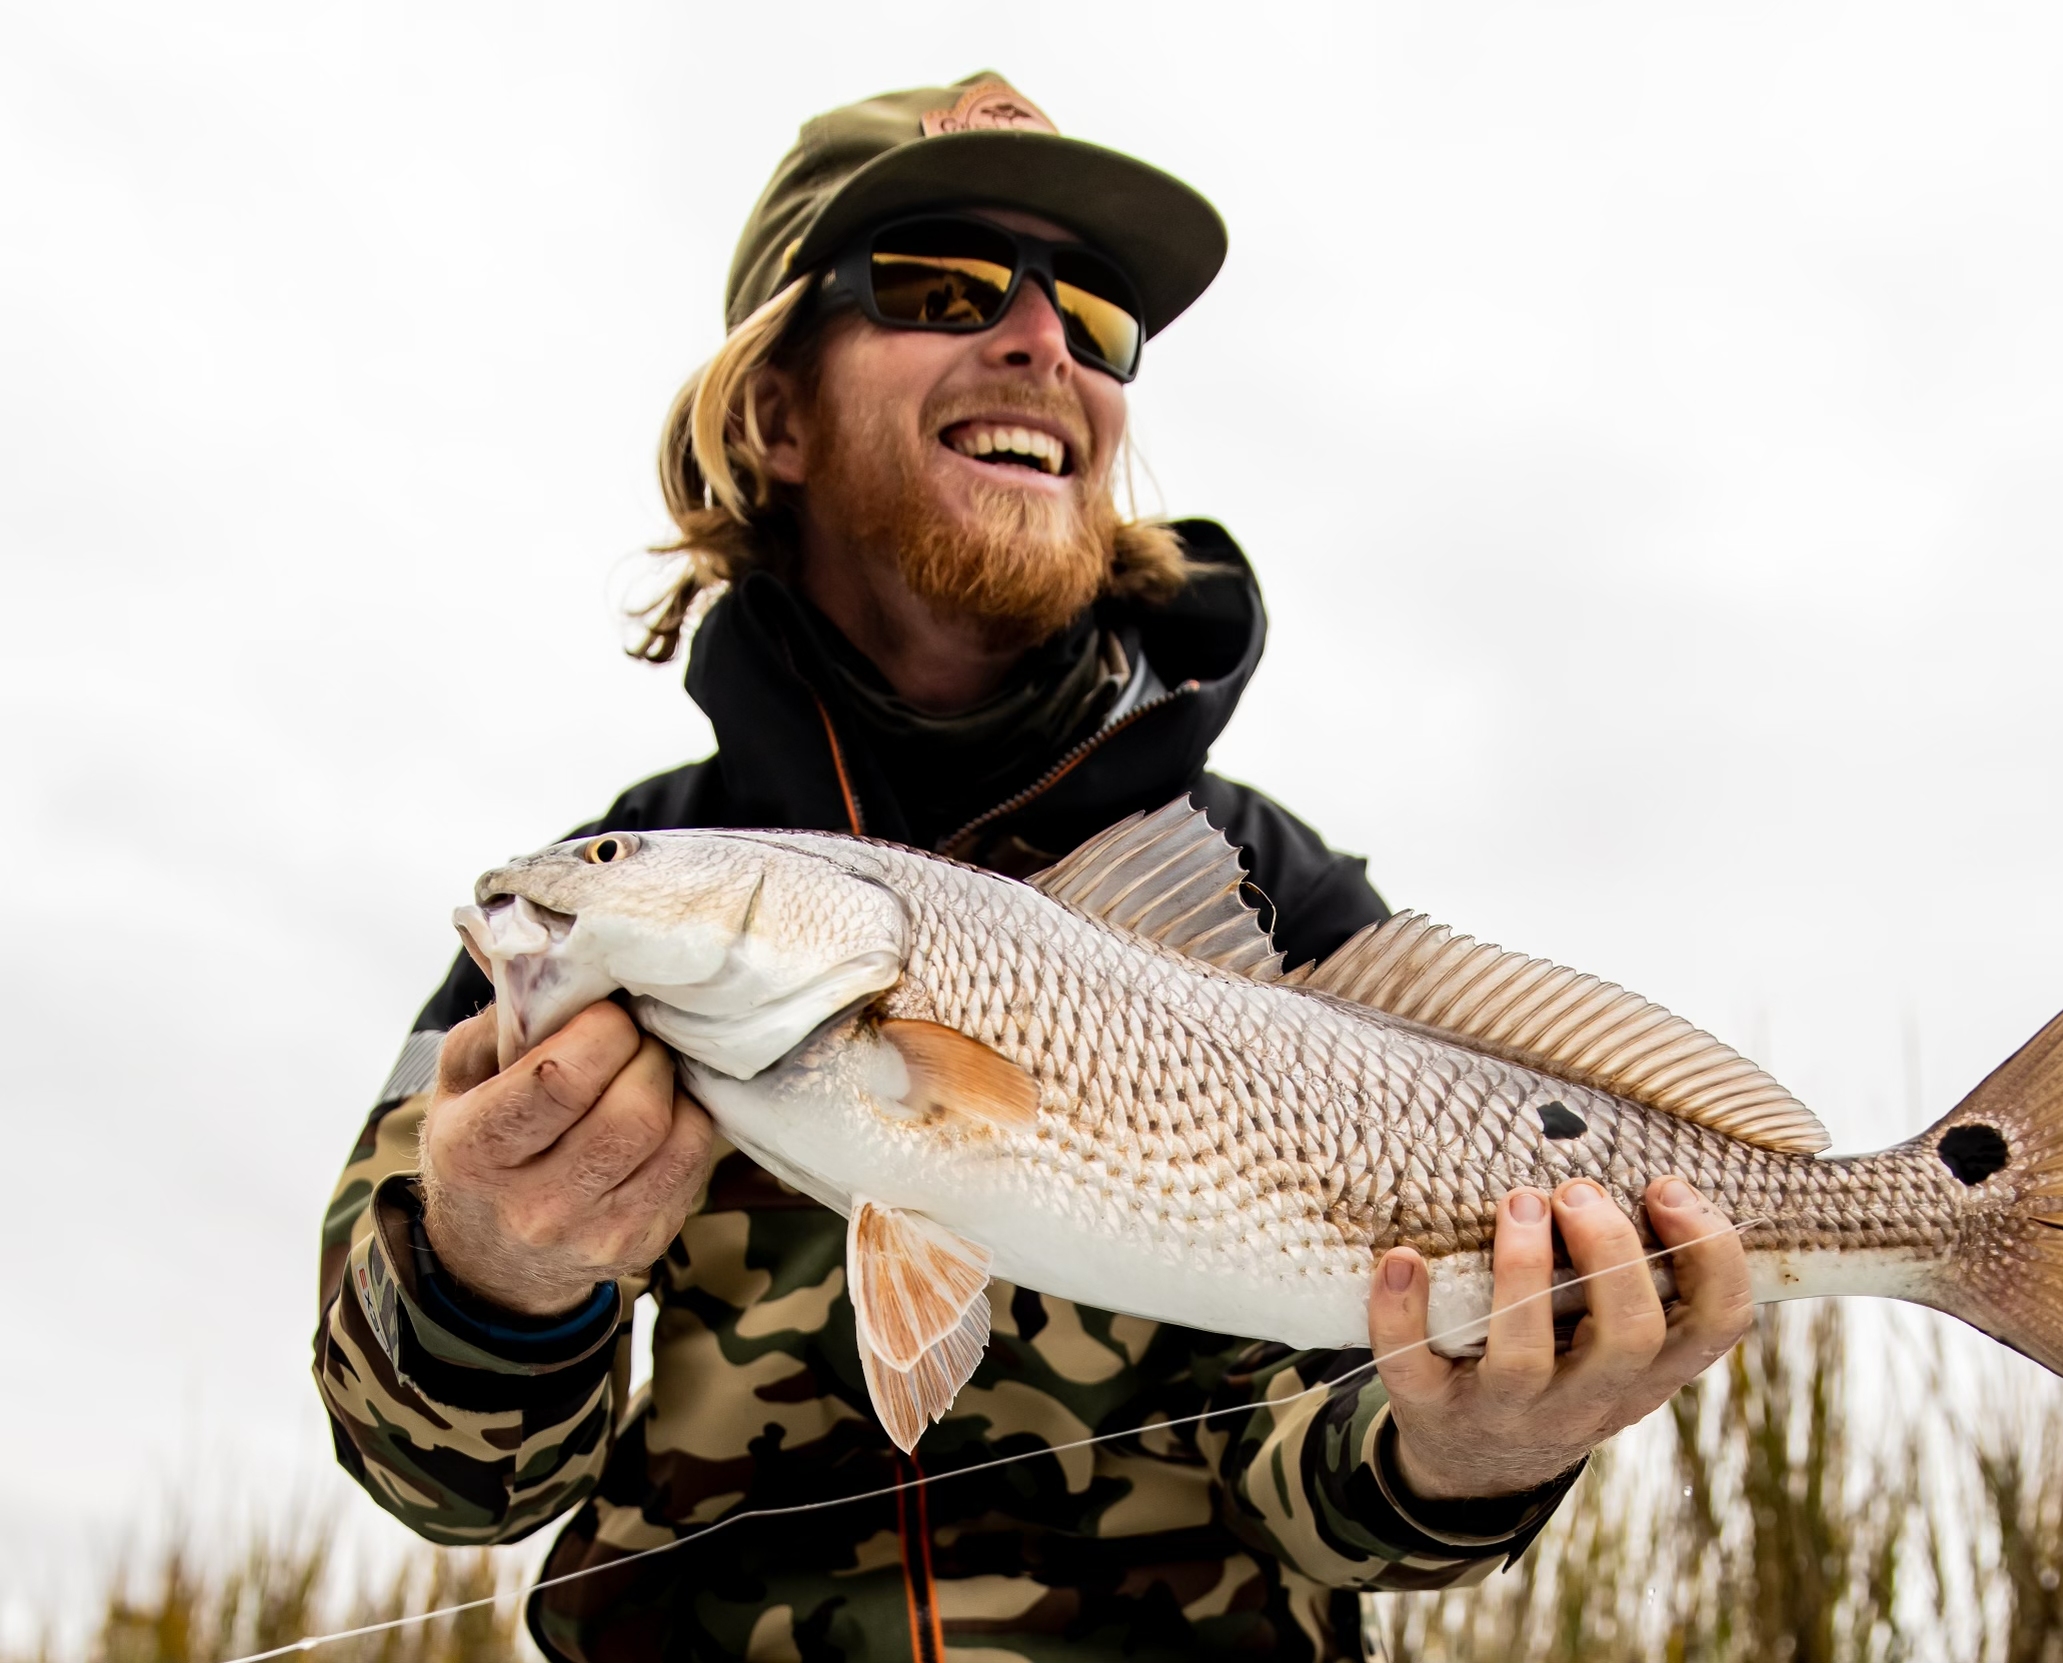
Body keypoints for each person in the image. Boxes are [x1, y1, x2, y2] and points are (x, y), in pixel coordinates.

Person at [314, 73, 1753, 1663]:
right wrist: (491, 1271)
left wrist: (1467, 1451)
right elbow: (438, 1479)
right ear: (774, 414)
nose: (1042, 342)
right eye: (939, 285)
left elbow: (1303, 1472)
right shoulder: (609, 930)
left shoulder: (1268, 895)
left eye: (1092, 311)